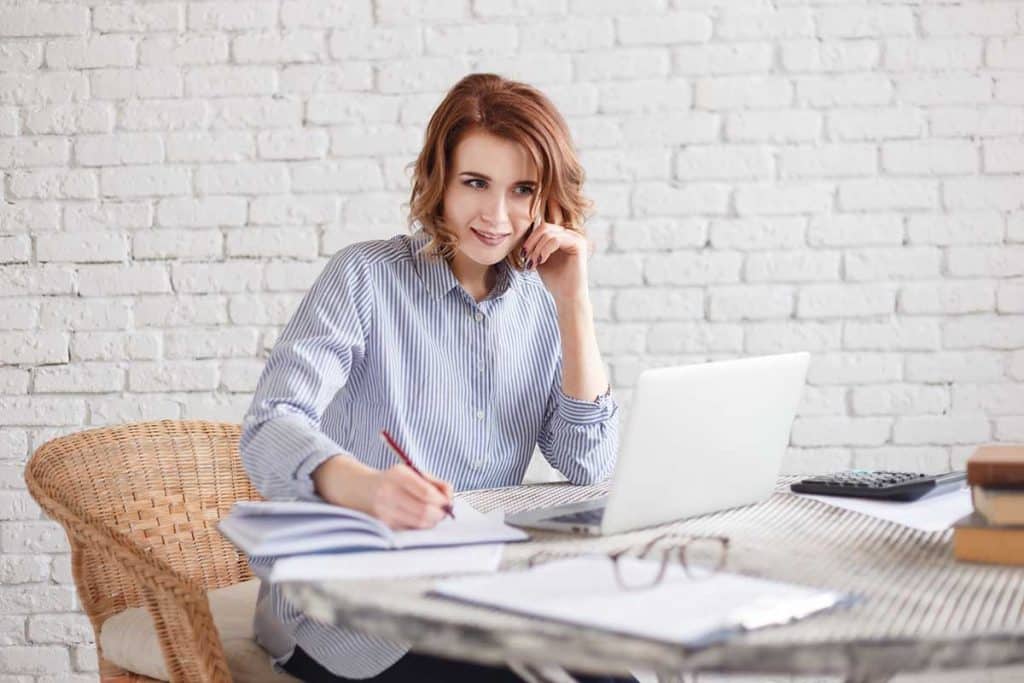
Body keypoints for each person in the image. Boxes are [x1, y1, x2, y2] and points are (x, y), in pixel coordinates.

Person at [240, 73, 634, 682]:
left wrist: (573, 304)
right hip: (355, 606)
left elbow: (590, 464)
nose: (497, 216)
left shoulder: (540, 300)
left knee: (617, 670)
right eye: (476, 183)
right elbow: (270, 427)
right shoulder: (365, 278)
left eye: (522, 190)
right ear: (439, 181)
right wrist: (367, 487)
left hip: (481, 587)